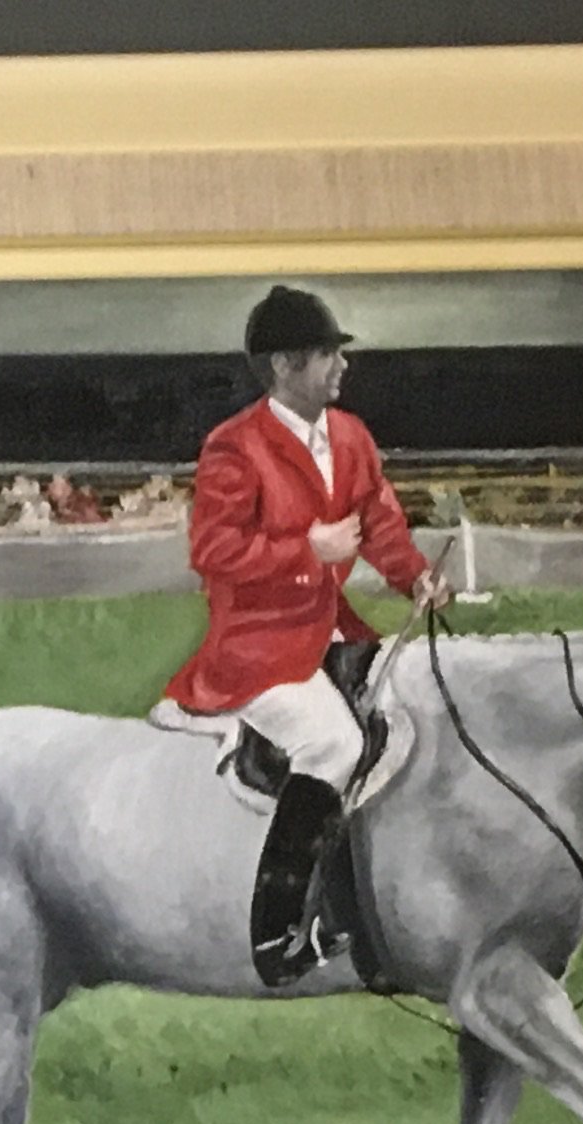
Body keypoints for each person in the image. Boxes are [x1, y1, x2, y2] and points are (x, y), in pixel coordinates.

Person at [160, 286, 448, 988]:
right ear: (286, 366)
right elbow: (212, 550)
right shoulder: (234, 446)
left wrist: (415, 578)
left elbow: (380, 522)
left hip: (331, 629)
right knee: (336, 745)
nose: (342, 366)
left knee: (413, 712)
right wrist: (306, 550)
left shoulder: (350, 436)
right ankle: (277, 931)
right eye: (326, 354)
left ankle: (372, 914)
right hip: (256, 646)